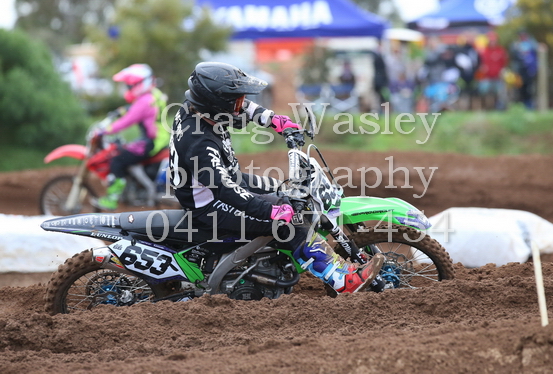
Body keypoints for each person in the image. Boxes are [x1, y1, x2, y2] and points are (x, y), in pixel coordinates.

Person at [169, 62, 384, 294]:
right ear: (216, 105)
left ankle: (275, 259)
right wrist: (271, 211)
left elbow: (245, 107)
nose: (241, 105)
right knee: (289, 221)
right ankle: (342, 280)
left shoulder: (198, 107)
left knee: (285, 191)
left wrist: (274, 120)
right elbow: (225, 189)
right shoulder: (198, 141)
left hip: (227, 181)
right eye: (235, 102)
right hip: (211, 203)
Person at [94, 64, 159, 211]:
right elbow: (132, 110)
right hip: (152, 140)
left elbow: (127, 121)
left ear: (140, 84)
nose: (128, 88)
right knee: (124, 150)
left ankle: (112, 199)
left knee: (117, 159)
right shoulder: (150, 96)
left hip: (150, 143)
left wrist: (104, 131)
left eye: (130, 85)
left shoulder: (144, 101)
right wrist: (121, 111)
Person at [478, 31, 508, 110]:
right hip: (487, 77)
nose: (492, 42)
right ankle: (486, 107)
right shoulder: (485, 51)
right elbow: (481, 64)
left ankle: (500, 108)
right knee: (483, 90)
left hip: (498, 77)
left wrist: (503, 71)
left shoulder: (501, 51)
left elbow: (504, 63)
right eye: (491, 40)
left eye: (494, 40)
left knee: (501, 92)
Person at [511, 31, 538, 109]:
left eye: (524, 35)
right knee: (519, 89)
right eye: (521, 36)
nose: (522, 37)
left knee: (529, 89)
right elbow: (513, 55)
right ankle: (520, 106)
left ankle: (529, 106)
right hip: (519, 71)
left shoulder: (532, 44)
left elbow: (536, 50)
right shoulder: (515, 45)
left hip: (529, 71)